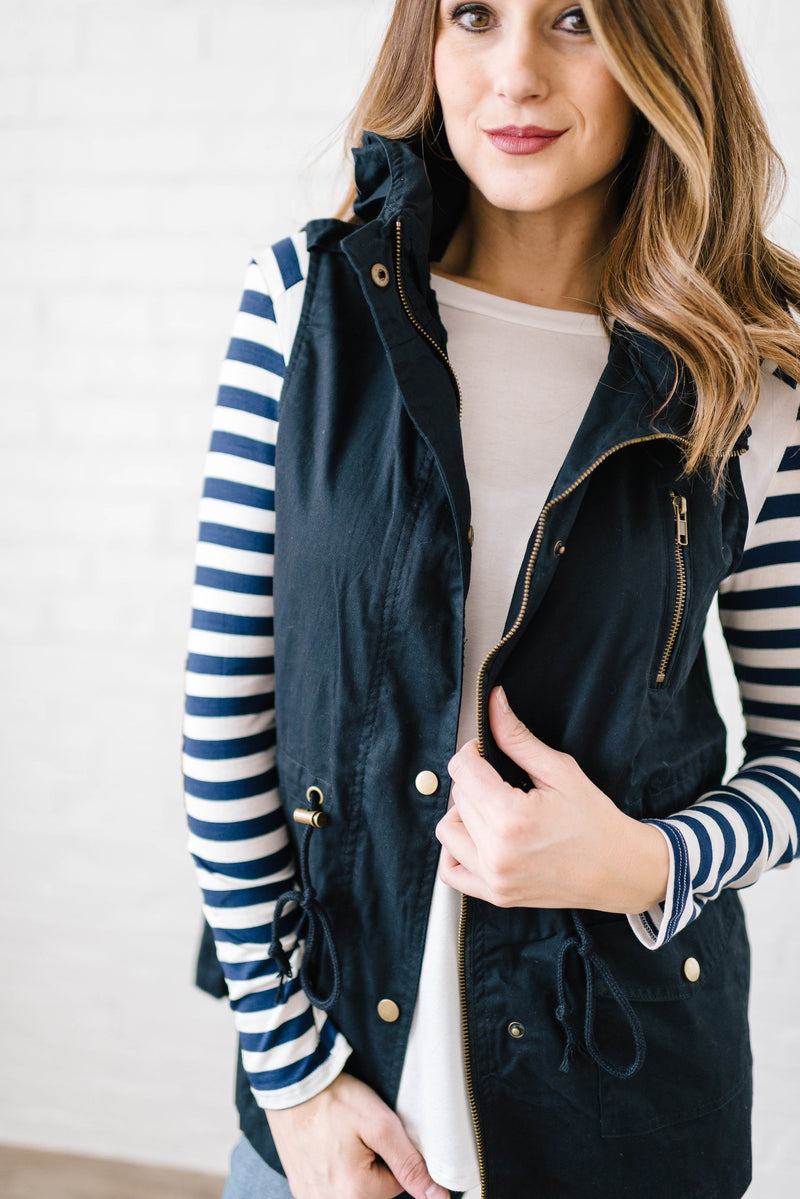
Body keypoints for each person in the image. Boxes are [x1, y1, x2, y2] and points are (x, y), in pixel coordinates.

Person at [182, 1, 800, 1196]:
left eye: (574, 19)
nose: (514, 71)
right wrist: (294, 1078)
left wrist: (643, 861)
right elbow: (227, 722)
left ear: (659, 55)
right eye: (472, 14)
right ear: (428, 42)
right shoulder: (306, 309)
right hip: (334, 1110)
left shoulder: (756, 384)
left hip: (623, 1122)